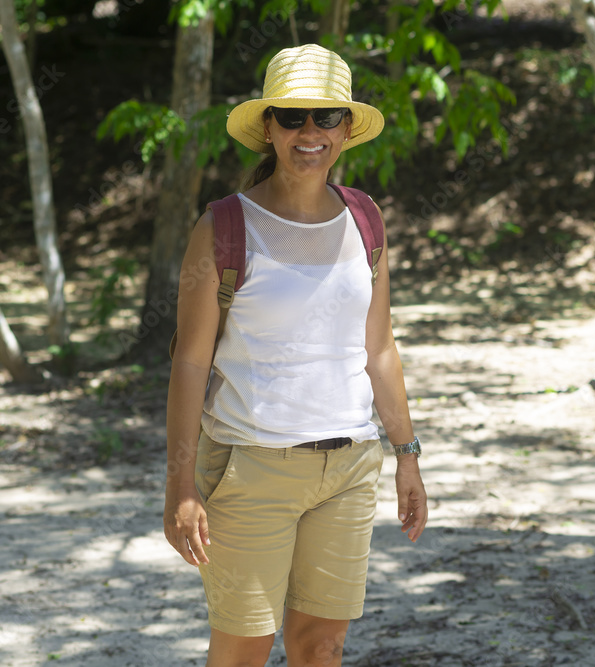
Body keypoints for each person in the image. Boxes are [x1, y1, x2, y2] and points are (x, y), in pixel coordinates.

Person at [163, 43, 428, 667]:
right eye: (292, 116)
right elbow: (189, 363)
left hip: (351, 467)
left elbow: (380, 349)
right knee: (243, 649)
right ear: (268, 129)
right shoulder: (225, 226)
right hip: (250, 467)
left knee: (321, 647)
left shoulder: (364, 218)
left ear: (345, 129)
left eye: (326, 117)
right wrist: (179, 485)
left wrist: (407, 454)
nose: (310, 132)